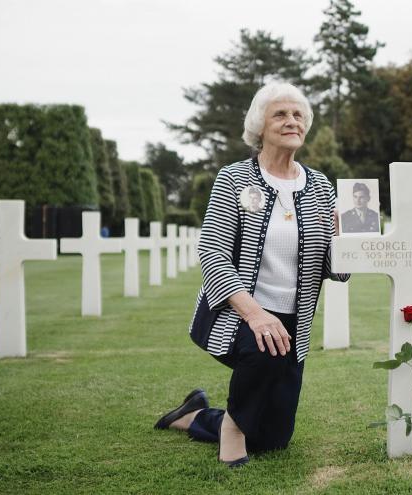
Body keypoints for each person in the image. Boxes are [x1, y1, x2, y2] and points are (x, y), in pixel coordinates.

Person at [154, 82, 349, 467]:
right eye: (280, 114)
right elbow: (212, 254)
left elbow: (337, 273)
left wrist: (342, 242)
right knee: (266, 346)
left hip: (296, 321)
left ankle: (192, 415)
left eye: (298, 115)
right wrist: (256, 314)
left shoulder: (321, 186)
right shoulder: (233, 178)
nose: (291, 121)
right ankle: (232, 431)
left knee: (274, 440)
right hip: (239, 311)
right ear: (259, 126)